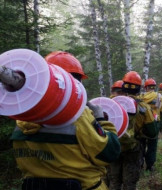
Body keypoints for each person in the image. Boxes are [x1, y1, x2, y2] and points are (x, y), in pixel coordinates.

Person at [10, 51, 121, 190]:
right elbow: (109, 153)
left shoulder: (21, 116)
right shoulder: (78, 115)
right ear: (74, 83)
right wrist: (100, 119)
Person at [109, 71, 157, 190]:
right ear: (139, 88)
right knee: (129, 183)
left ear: (123, 86)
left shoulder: (112, 103)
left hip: (114, 146)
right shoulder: (144, 107)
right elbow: (153, 132)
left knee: (114, 181)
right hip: (134, 149)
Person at [139, 78, 162, 172]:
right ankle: (150, 166)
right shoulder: (159, 96)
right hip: (154, 123)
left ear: (146, 87)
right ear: (154, 87)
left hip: (142, 124)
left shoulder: (141, 96)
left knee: (141, 143)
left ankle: (140, 163)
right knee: (152, 145)